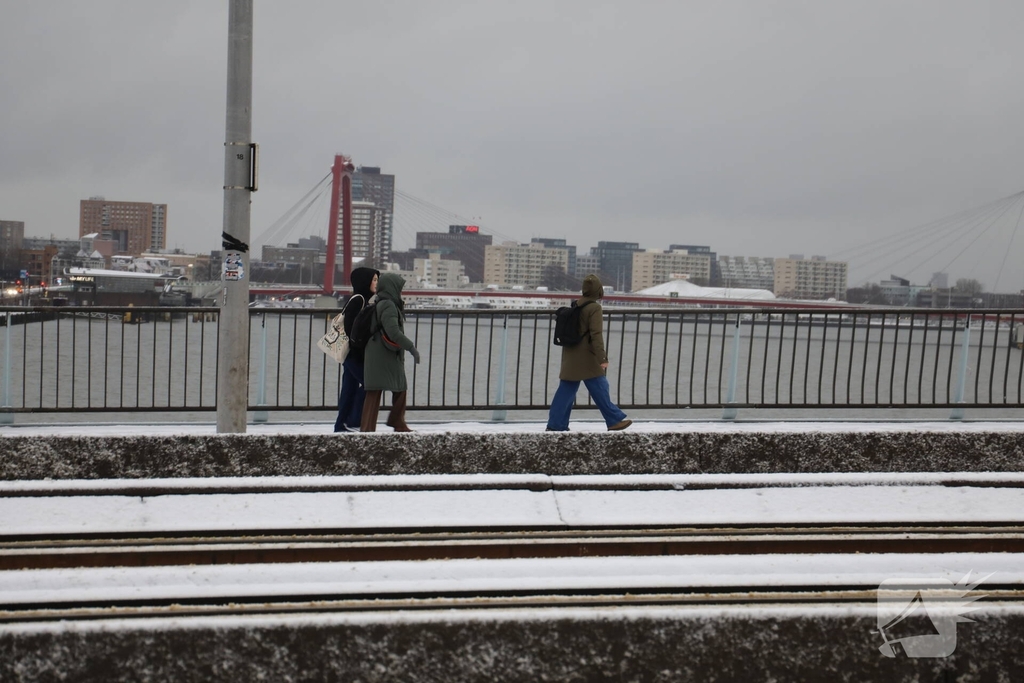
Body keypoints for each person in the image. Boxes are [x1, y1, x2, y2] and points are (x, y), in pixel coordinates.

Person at [546, 273, 632, 432]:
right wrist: (602, 358)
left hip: (571, 354)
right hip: (587, 356)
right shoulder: (594, 308)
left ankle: (556, 424)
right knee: (600, 386)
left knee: (566, 389)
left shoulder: (576, 305)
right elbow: (596, 335)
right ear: (599, 291)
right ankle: (613, 420)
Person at [360, 272, 421, 432]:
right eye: (399, 288)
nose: (400, 291)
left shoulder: (382, 302)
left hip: (379, 352)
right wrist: (411, 347)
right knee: (396, 386)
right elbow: (393, 331)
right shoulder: (388, 305)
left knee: (382, 389)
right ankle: (394, 422)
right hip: (384, 353)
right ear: (392, 287)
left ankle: (371, 427)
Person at [333, 267, 379, 432]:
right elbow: (350, 327)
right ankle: (352, 421)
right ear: (364, 282)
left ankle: (340, 426)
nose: (376, 283)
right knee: (371, 384)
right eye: (373, 280)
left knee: (349, 389)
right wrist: (359, 347)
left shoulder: (360, 299)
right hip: (353, 354)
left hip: (350, 353)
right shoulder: (359, 300)